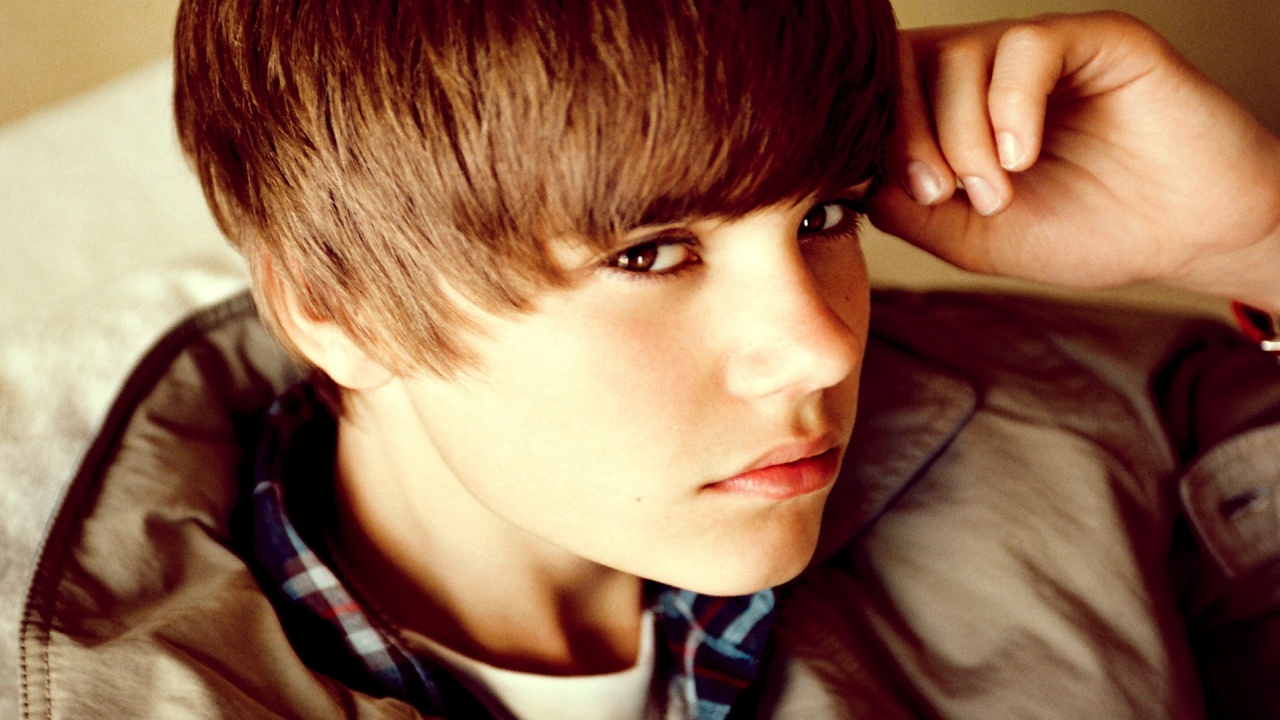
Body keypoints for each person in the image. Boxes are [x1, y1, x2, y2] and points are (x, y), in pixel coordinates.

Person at [16, 1, 1280, 718]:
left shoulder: (1098, 438)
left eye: (823, 215)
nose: (816, 343)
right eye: (650, 253)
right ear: (333, 303)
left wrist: (1253, 239)